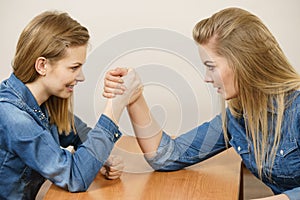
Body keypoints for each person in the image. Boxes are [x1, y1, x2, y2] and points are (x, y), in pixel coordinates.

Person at [103, 7, 300, 200]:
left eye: (211, 67)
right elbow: (166, 156)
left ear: (244, 62)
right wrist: (134, 96)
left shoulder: (297, 108)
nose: (207, 78)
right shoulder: (237, 116)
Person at [0, 11, 140, 200]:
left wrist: (102, 157)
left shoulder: (42, 103)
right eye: (74, 68)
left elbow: (79, 133)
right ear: (42, 66)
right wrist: (116, 105)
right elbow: (75, 177)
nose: (81, 77)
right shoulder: (14, 117)